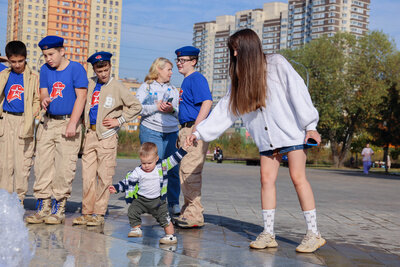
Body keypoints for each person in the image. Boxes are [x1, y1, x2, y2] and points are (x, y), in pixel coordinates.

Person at [187, 29, 326, 253]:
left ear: (249, 48)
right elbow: (225, 109)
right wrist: (199, 132)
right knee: (266, 181)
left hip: (291, 133)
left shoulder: (277, 63)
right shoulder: (239, 79)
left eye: (236, 49)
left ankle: (313, 233)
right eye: (232, 50)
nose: (234, 54)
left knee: (298, 178)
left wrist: (311, 126)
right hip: (266, 138)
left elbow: (298, 92)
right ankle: (268, 233)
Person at [72, 51, 142, 226]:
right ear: (94, 69)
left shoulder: (116, 86)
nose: (102, 74)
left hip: (107, 137)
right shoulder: (89, 83)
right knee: (88, 177)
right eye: (99, 70)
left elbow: (136, 106)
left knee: (104, 176)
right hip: (90, 135)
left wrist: (119, 120)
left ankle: (99, 213)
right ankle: (87, 212)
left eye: (105, 70)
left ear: (110, 67)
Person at [26, 36, 88, 225]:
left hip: (67, 122)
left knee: (64, 167)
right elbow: (44, 90)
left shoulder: (76, 68)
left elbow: (82, 96)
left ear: (62, 51)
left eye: (51, 54)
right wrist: (44, 99)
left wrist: (73, 124)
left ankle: (58, 206)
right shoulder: (45, 69)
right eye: (45, 55)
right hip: (48, 122)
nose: (48, 59)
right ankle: (42, 206)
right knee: (42, 165)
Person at [109, 142, 188, 244]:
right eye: (143, 163)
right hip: (141, 200)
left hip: (158, 201)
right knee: (132, 211)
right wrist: (116, 188)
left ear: (156, 159)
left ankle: (170, 236)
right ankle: (136, 229)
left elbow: (174, 159)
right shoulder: (138, 171)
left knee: (165, 218)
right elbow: (127, 181)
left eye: (149, 163)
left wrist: (184, 149)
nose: (146, 166)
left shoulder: (162, 166)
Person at [135, 57, 181, 216]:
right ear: (159, 70)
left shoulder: (174, 89)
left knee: (173, 168)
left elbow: (181, 113)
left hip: (171, 132)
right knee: (153, 168)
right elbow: (137, 108)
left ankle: (174, 202)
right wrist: (156, 107)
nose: (171, 73)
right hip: (150, 130)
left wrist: (172, 110)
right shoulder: (146, 87)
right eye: (168, 69)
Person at [174, 46, 213, 228]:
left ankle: (195, 214)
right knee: (185, 171)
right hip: (185, 129)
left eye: (183, 60)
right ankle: (188, 210)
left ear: (194, 61)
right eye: (178, 60)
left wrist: (196, 128)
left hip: (193, 130)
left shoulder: (196, 78)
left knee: (190, 171)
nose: (179, 63)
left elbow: (207, 101)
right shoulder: (187, 81)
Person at [0, 41, 40, 203]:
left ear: (25, 59)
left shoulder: (33, 77)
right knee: (5, 165)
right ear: (8, 60)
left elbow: (37, 100)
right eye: (13, 61)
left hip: (25, 121)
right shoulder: (4, 75)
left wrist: (32, 117)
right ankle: (4, 200)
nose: (17, 65)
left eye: (20, 61)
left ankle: (18, 200)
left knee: (22, 165)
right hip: (6, 120)